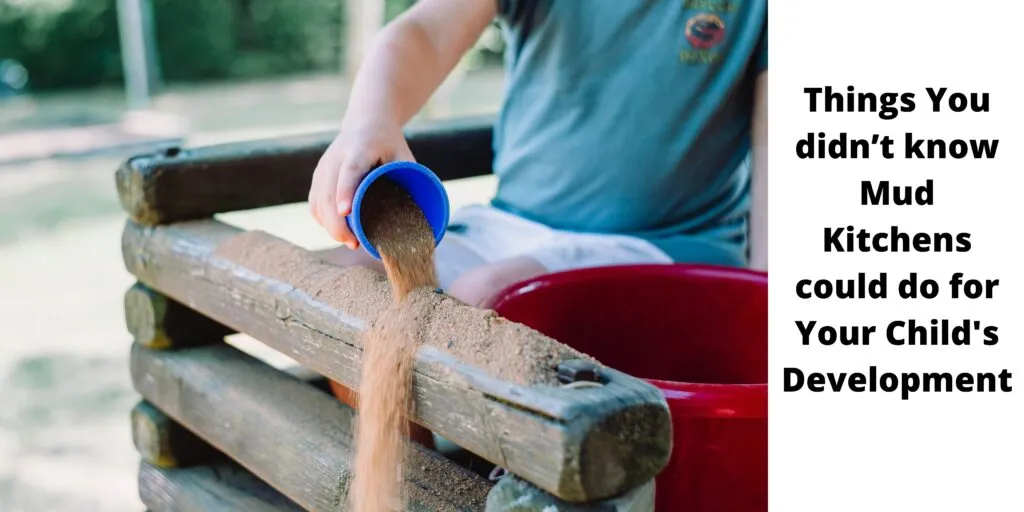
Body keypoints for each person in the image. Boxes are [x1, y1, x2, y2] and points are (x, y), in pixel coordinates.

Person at [310, 0, 768, 307]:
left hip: (668, 243)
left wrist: (766, 297)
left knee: (489, 295)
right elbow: (426, 31)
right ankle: (407, 453)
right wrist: (370, 120)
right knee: (344, 280)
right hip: (511, 225)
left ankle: (476, 457)